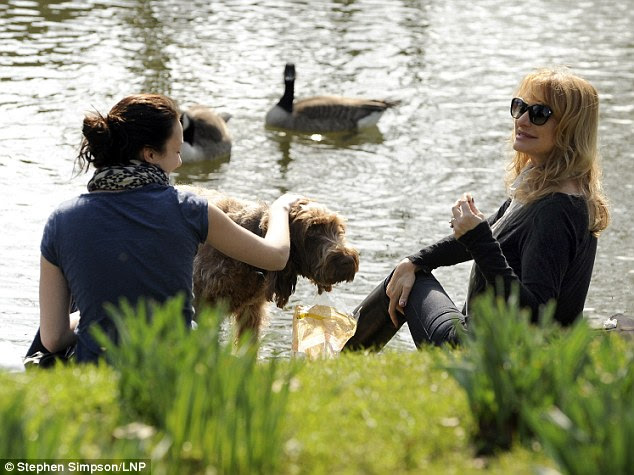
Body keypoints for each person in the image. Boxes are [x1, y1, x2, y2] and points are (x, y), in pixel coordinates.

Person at [343, 67, 610, 351]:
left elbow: (534, 317)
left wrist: (478, 238)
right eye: (519, 107)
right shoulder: (540, 185)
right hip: (483, 339)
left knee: (408, 279)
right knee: (409, 270)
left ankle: (335, 359)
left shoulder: (556, 211)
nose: (522, 120)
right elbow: (489, 235)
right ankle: (337, 354)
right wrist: (418, 259)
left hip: (485, 354)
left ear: (570, 129)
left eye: (539, 113)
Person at [27, 93, 300, 363]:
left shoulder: (61, 220)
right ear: (150, 154)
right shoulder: (189, 208)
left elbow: (53, 338)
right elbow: (276, 257)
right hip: (180, 366)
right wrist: (280, 209)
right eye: (177, 152)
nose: (179, 163)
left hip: (98, 368)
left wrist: (98, 315)